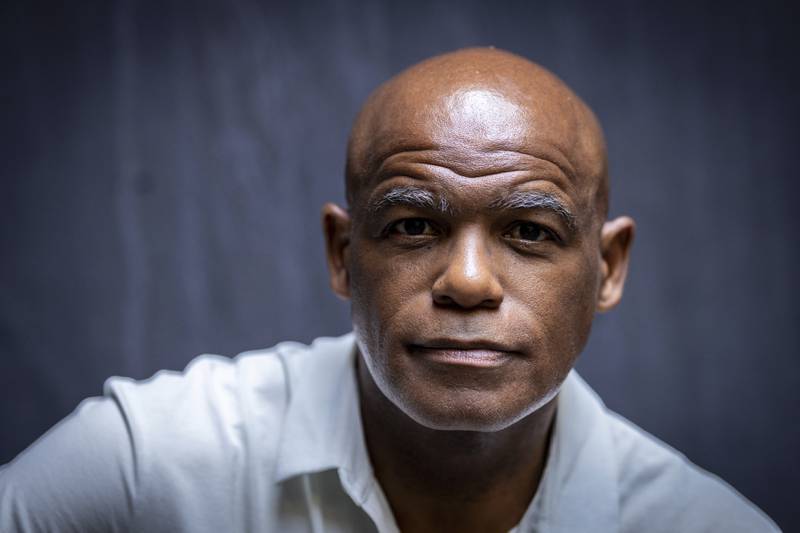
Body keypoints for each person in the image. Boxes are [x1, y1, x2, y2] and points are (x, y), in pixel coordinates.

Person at [0, 47, 779, 533]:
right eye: (412, 226)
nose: (467, 281)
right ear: (344, 253)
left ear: (607, 268)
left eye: (529, 232)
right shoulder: (153, 462)